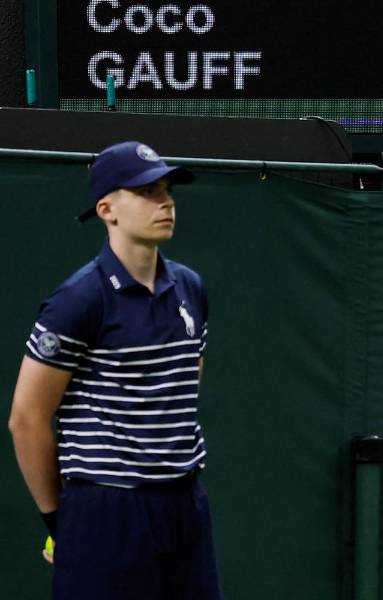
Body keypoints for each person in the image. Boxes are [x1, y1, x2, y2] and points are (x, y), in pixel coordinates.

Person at [7, 141, 222, 599]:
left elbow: (187, 382)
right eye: (146, 191)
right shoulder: (78, 300)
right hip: (105, 513)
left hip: (185, 505)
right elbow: (25, 419)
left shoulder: (191, 288)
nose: (165, 201)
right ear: (107, 209)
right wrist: (59, 521)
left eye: (167, 189)